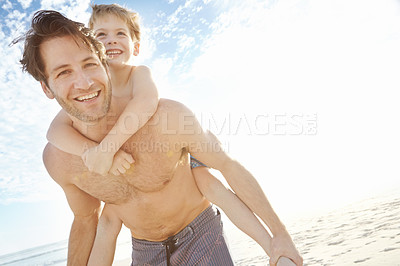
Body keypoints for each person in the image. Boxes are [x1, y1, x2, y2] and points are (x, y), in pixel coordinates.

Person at [17, 9, 302, 266]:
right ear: (46, 88)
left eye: (89, 64)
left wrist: (280, 236)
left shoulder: (167, 116)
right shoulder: (60, 158)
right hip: (144, 252)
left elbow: (227, 165)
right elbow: (85, 218)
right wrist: (94, 151)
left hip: (201, 233)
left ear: (104, 63)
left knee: (206, 177)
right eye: (63, 72)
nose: (84, 82)